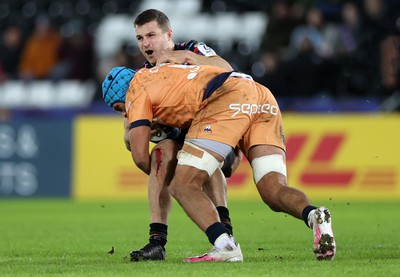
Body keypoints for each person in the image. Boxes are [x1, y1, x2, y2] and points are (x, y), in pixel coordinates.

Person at [102, 63, 336, 262]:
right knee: (273, 190)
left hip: (226, 99)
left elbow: (141, 157)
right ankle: (314, 215)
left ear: (122, 94)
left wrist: (163, 169)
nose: (123, 114)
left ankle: (225, 245)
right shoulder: (167, 72)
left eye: (119, 108)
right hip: (260, 95)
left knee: (182, 185)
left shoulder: (135, 91)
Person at [121, 9, 241, 261]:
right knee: (161, 154)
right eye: (140, 38)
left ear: (168, 35)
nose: (145, 44)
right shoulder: (144, 74)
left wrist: (186, 57)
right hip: (183, 134)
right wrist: (145, 127)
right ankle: (157, 242)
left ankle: (226, 235)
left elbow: (225, 68)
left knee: (206, 158)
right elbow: (129, 141)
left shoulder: (192, 49)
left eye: (151, 35)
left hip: (216, 125)